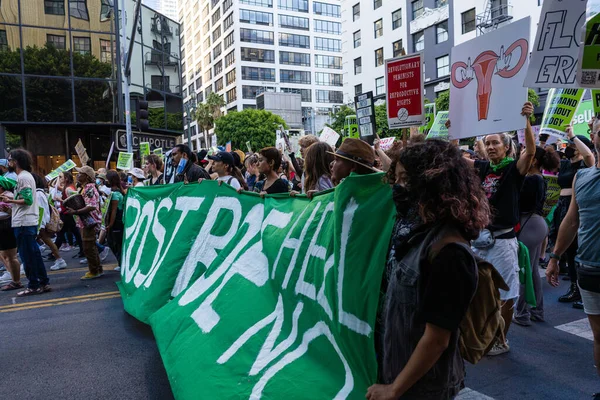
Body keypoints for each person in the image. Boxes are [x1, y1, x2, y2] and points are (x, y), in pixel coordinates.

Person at [368, 139, 488, 400]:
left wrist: (394, 389)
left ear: (433, 185)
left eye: (406, 181)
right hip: (398, 371)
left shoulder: (450, 253)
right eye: (396, 180)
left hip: (423, 388)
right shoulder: (414, 233)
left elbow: (437, 339)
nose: (399, 188)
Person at [468, 102, 536, 355]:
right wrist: (454, 136)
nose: (491, 146)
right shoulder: (483, 168)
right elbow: (455, 162)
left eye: (496, 142)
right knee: (477, 291)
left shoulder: (512, 169)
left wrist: (526, 121)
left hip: (503, 242)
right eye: (487, 143)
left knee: (506, 295)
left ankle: (500, 340)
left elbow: (530, 151)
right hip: (479, 241)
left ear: (507, 147)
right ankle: (481, 335)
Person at [546, 121, 600, 399]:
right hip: (590, 269)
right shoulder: (583, 177)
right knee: (598, 335)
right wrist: (555, 256)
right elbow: (571, 220)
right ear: (594, 137)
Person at [512, 146, 560, 326]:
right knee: (531, 271)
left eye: (525, 153)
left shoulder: (531, 179)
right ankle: (536, 311)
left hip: (529, 224)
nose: (521, 155)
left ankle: (522, 313)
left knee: (525, 270)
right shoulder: (537, 178)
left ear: (533, 160)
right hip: (535, 224)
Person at [550, 129, 595, 308]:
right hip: (562, 205)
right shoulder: (565, 164)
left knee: (578, 248)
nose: (568, 148)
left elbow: (589, 155)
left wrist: (573, 136)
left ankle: (584, 292)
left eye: (571, 146)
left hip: (575, 207)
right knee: (568, 248)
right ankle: (574, 288)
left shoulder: (585, 165)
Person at [0, 149, 50, 296]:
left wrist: (10, 200)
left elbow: (27, 200)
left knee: (27, 256)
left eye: (10, 160)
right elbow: (7, 182)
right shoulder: (22, 177)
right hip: (26, 221)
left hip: (24, 222)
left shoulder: (23, 177)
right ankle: (43, 282)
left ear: (16, 161)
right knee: (33, 254)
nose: (8, 162)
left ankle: (34, 285)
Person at [64, 166, 103, 280]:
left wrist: (75, 211)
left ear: (87, 176)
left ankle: (94, 271)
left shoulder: (89, 188)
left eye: (80, 173)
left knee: (88, 247)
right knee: (90, 246)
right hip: (85, 221)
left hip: (89, 221)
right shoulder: (85, 187)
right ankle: (97, 268)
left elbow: (91, 206)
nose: (77, 175)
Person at [32, 173, 67, 271]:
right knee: (47, 241)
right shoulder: (39, 193)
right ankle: (59, 260)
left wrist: (40, 225)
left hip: (41, 223)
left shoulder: (38, 194)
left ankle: (59, 260)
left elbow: (41, 211)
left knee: (47, 241)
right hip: (41, 222)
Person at [0, 176, 23, 291]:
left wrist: (6, 209)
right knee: (6, 255)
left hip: (7, 227)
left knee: (11, 256)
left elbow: (15, 211)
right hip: (4, 227)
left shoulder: (8, 196)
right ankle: (14, 279)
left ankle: (16, 281)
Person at [53, 171, 84, 257]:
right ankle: (82, 250)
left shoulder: (68, 189)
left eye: (60, 177)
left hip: (68, 214)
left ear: (66, 178)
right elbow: (54, 185)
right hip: (67, 213)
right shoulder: (67, 187)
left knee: (61, 233)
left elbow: (73, 201)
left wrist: (60, 200)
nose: (59, 179)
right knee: (76, 233)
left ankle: (53, 253)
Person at [105, 170, 125, 272]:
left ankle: (121, 263)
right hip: (119, 221)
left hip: (116, 222)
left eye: (106, 179)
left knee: (115, 243)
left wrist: (110, 224)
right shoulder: (117, 191)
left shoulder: (115, 194)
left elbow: (113, 211)